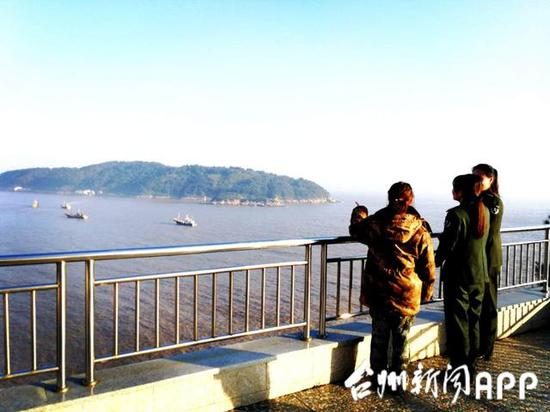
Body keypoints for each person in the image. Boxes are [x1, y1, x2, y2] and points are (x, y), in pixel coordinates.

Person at [349, 182, 436, 380]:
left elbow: (356, 229)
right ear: (410, 200)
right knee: (401, 340)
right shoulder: (420, 228)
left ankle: (378, 379)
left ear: (389, 198)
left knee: (379, 339)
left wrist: (359, 212)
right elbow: (428, 266)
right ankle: (398, 381)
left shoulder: (375, 223)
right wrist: (426, 293)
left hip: (379, 290)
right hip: (406, 293)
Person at [435, 174, 489, 373]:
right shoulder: (484, 211)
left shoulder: (456, 215)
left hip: (459, 276)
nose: (452, 191)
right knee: (473, 321)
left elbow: (448, 246)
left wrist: (434, 263)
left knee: (458, 324)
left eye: (454, 188)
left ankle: (459, 370)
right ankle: (471, 366)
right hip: (479, 274)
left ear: (461, 192)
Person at [472, 163, 503, 361]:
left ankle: (487, 347)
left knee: (489, 304)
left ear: (490, 179)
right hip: (481, 258)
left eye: (479, 177)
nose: (476, 181)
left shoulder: (492, 201)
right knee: (479, 303)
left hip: (489, 257)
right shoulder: (479, 198)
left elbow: (487, 231)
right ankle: (479, 344)